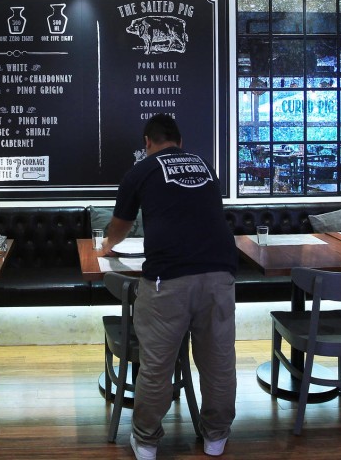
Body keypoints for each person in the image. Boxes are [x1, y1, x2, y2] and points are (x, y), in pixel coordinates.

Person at [99, 113, 237, 459]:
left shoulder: (141, 171)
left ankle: (146, 441)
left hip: (167, 279)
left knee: (157, 364)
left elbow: (121, 226)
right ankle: (216, 437)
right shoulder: (205, 166)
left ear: (147, 142)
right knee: (218, 361)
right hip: (220, 274)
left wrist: (104, 246)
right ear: (180, 141)